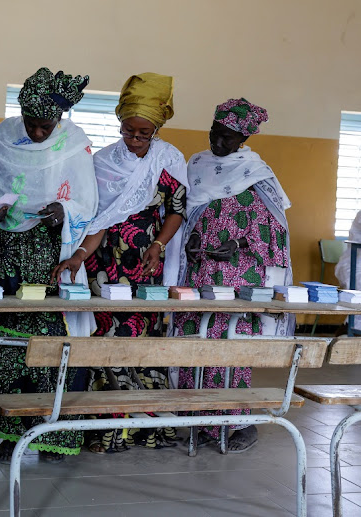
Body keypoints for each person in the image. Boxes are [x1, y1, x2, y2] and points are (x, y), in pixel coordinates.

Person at [52, 72, 188, 454]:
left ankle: (145, 427)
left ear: (157, 129)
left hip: (145, 259)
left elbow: (177, 211)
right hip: (105, 262)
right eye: (128, 131)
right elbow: (96, 220)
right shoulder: (105, 161)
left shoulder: (169, 159)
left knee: (140, 335)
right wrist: (79, 256)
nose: (134, 140)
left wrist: (158, 245)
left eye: (143, 133)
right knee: (105, 334)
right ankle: (107, 429)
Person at [0, 67, 98, 463]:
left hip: (53, 253)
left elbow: (87, 201)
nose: (36, 134)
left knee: (52, 341)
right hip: (12, 249)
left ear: (60, 120)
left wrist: (63, 212)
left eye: (44, 127)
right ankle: (14, 432)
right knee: (13, 339)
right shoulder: (3, 135)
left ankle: (53, 436)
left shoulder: (75, 141)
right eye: (31, 125)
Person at [173, 98, 293, 453]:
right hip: (201, 267)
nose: (218, 142)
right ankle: (199, 418)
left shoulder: (255, 171)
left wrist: (238, 243)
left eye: (227, 137)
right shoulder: (197, 164)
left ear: (243, 139)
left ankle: (240, 422)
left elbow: (274, 229)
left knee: (231, 343)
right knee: (198, 339)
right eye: (215, 133)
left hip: (240, 271)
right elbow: (188, 213)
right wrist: (191, 239)